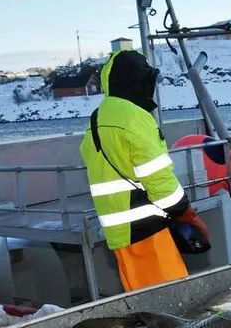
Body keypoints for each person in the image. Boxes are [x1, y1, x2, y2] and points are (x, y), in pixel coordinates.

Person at [80, 49, 208, 292]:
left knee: (143, 301)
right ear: (137, 82)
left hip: (120, 233)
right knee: (173, 300)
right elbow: (158, 178)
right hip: (147, 230)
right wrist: (189, 216)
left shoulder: (97, 118)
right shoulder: (134, 117)